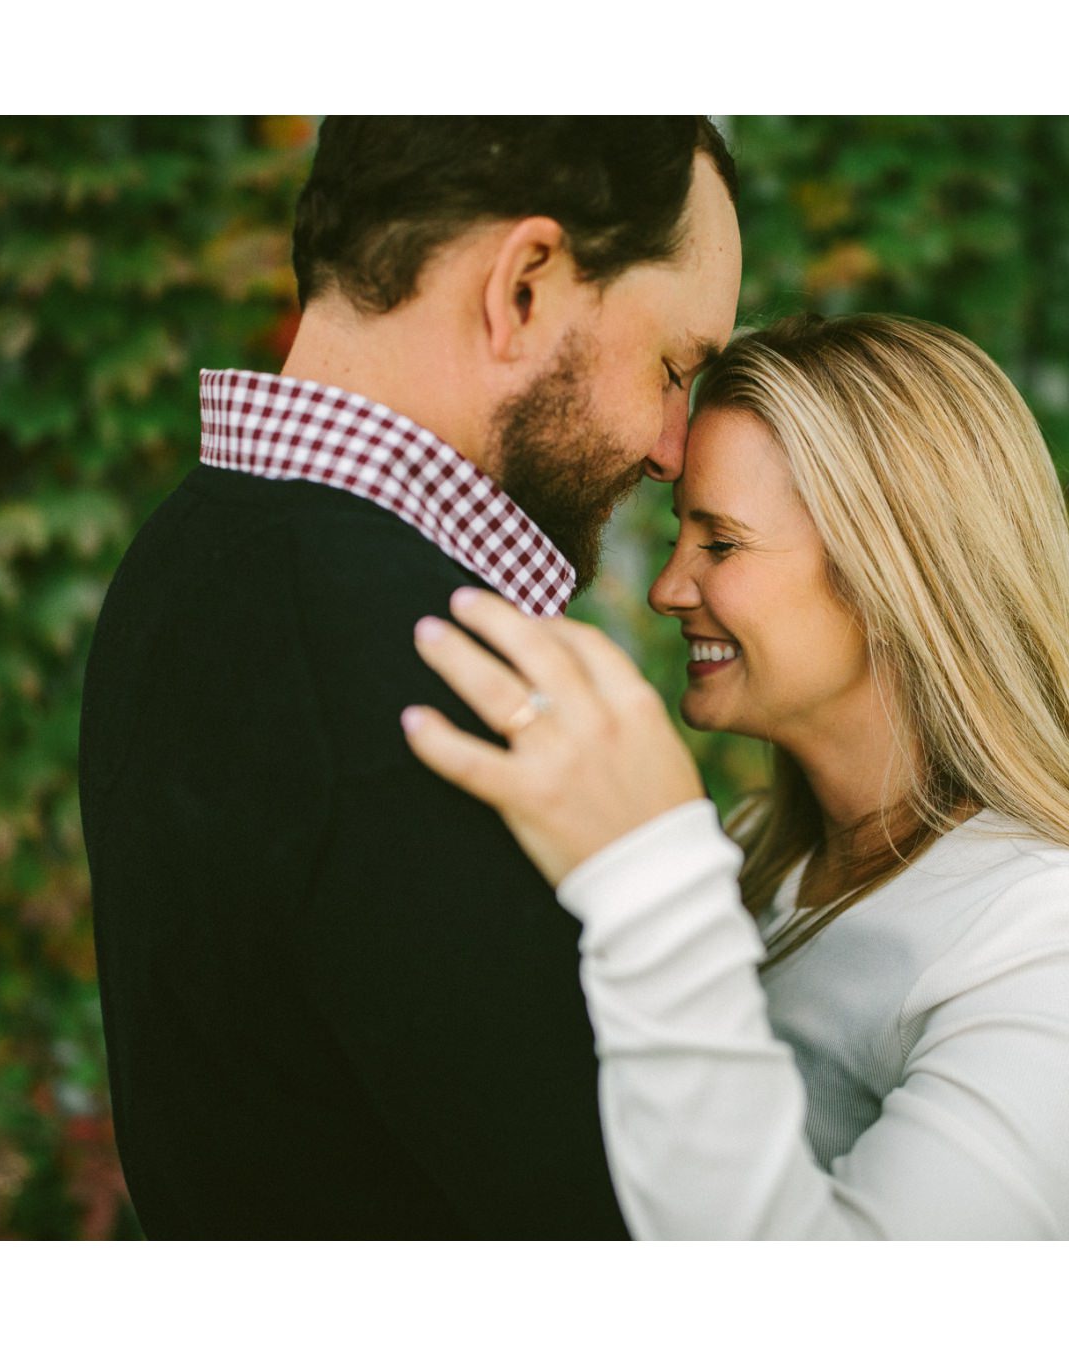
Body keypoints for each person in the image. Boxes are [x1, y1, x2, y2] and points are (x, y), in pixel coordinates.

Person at [402, 313, 1069, 1239]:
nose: (668, 587)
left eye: (720, 543)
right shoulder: (755, 857)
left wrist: (648, 887)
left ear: (894, 572)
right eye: (681, 536)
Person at [79, 116, 742, 1238]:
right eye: (674, 367)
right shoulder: (434, 683)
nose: (676, 446)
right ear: (524, 284)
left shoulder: (185, 557)